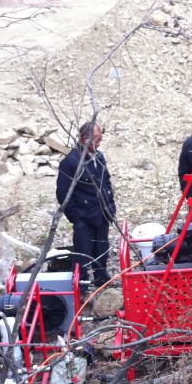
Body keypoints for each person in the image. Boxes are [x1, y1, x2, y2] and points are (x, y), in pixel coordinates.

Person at [56, 121, 116, 289]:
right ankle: (80, 287)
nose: (99, 143)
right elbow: (63, 193)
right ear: (84, 139)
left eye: (100, 139)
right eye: (96, 140)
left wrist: (110, 206)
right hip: (85, 217)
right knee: (83, 254)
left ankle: (101, 278)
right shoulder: (70, 162)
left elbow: (106, 182)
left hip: (103, 213)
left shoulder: (99, 156)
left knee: (102, 247)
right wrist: (77, 218)